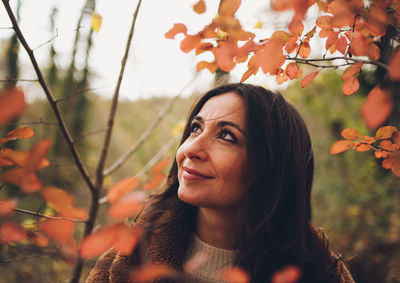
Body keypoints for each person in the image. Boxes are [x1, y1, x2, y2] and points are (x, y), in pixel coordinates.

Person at [87, 83, 354, 283]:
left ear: (270, 167)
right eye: (195, 128)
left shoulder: (321, 272)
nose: (192, 149)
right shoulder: (129, 258)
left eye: (226, 136)